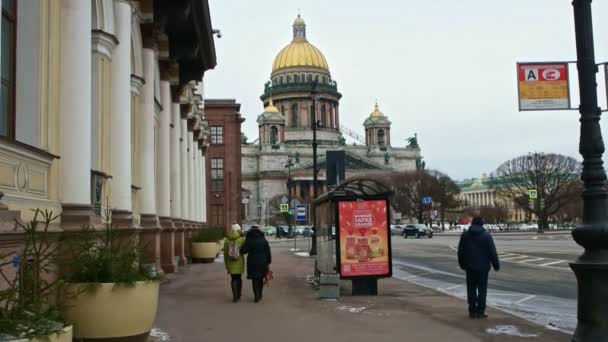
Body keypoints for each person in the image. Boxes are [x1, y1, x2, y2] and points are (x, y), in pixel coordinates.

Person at [457, 217, 500, 319]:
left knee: (471, 289)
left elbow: (460, 252)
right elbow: (492, 253)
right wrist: (496, 265)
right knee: (482, 290)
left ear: (472, 224)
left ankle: (472, 310)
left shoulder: (465, 235)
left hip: (470, 267)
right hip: (483, 268)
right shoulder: (486, 235)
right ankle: (480, 311)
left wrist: (462, 264)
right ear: (482, 224)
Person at [240, 226, 272, 302]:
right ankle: (260, 294)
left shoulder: (249, 240)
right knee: (260, 278)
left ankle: (256, 295)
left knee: (254, 279)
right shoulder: (263, 240)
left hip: (252, 262)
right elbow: (268, 252)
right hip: (262, 262)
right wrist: (269, 261)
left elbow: (243, 251)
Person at [223, 223, 245, 302]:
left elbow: (225, 253)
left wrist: (226, 265)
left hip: (230, 262)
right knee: (239, 278)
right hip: (239, 261)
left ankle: (234, 296)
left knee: (233, 279)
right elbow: (244, 250)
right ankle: (238, 294)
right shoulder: (242, 239)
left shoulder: (227, 240)